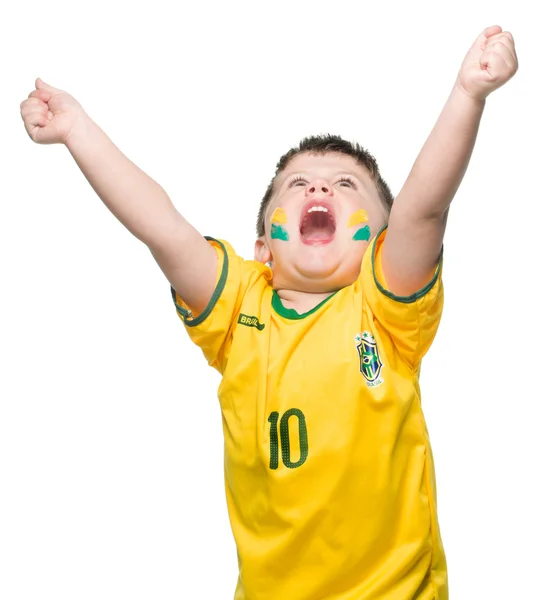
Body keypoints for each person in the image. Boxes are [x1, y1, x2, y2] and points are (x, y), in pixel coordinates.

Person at [20, 24, 517, 600]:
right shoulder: (238, 309)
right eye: (298, 183)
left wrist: (467, 94)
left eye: (346, 184)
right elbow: (162, 227)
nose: (320, 191)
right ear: (263, 248)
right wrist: (78, 129)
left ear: (382, 244)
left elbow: (423, 210)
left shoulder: (384, 312)